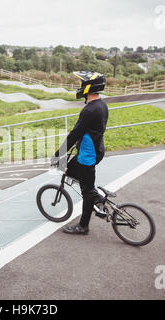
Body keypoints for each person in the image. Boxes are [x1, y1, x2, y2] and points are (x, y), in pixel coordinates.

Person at [51, 71, 109, 235]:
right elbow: (87, 131)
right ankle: (93, 194)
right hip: (95, 149)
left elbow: (75, 133)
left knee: (86, 192)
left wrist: (58, 154)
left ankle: (83, 226)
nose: (80, 87)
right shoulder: (101, 105)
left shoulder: (89, 110)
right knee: (70, 169)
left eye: (83, 84)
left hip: (87, 155)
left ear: (89, 87)